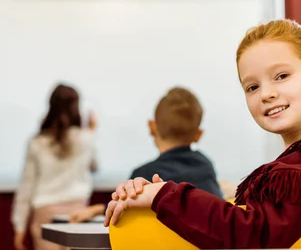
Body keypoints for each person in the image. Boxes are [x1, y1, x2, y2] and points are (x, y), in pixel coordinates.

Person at [104, 19, 301, 249]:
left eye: (281, 76)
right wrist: (149, 195)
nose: (266, 94)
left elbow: (254, 235)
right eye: (252, 87)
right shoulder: (299, 163)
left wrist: (163, 194)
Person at [70, 87, 223, 223]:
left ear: (151, 127)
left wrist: (96, 209)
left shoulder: (141, 177)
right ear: (198, 135)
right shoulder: (206, 168)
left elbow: (122, 211)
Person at [12, 84, 98, 250]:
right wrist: (92, 131)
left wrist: (19, 226)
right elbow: (94, 167)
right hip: (77, 212)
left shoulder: (37, 142)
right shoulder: (86, 139)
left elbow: (27, 186)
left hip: (45, 212)